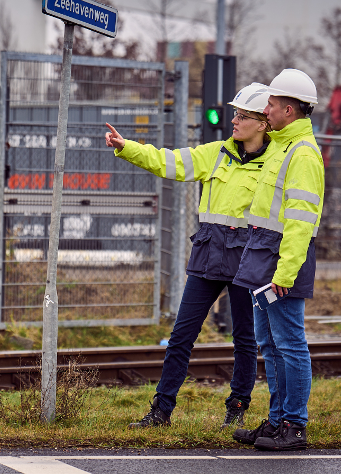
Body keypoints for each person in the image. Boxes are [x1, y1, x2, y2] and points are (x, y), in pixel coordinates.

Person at [105, 83, 273, 429]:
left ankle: (237, 408)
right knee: (181, 336)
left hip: (248, 258)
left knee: (244, 339)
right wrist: (128, 148)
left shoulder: (277, 163)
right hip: (209, 254)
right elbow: (170, 161)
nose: (234, 120)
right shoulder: (216, 153)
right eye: (235, 114)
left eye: (243, 116)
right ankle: (161, 412)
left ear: (263, 123)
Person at [230, 68, 325, 452]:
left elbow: (301, 221)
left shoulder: (302, 153)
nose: (264, 109)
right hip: (263, 255)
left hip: (280, 260)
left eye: (270, 103)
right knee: (270, 345)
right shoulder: (283, 146)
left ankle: (294, 425)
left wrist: (285, 273)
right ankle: (275, 423)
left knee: (289, 344)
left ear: (288, 109)